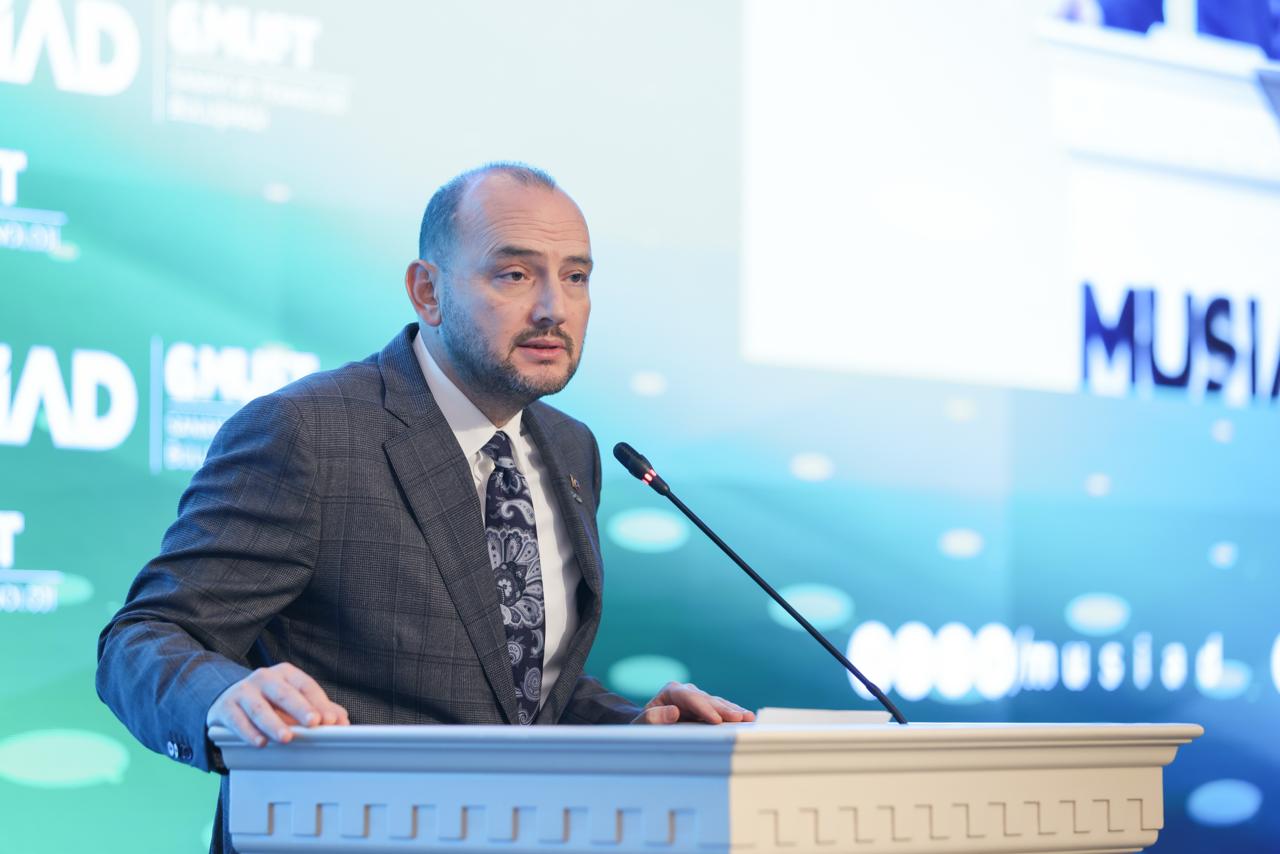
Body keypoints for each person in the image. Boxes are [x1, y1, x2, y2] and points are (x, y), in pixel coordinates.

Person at [96, 163, 754, 854]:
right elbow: (143, 638)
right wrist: (221, 700)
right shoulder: (309, 433)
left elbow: (513, 687)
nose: (553, 308)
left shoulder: (572, 449)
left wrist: (635, 729)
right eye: (515, 274)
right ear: (427, 291)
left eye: (576, 277)